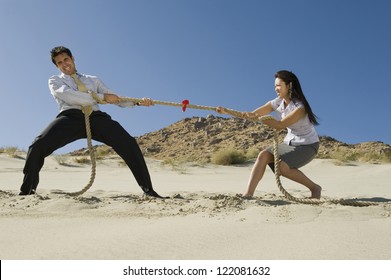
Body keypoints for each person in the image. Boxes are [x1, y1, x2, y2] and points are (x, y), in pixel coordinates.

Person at [19, 46, 166, 198]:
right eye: (59, 62)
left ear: (73, 58)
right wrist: (101, 98)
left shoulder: (93, 80)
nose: (64, 63)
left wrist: (138, 103)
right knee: (37, 145)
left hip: (96, 117)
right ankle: (27, 191)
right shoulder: (55, 81)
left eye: (66, 59)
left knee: (129, 143)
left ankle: (149, 191)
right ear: (57, 66)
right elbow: (69, 95)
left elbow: (115, 98)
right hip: (70, 117)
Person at [217, 70, 322, 199]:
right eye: (275, 86)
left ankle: (315, 188)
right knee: (264, 155)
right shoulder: (277, 102)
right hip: (291, 142)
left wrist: (264, 119)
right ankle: (248, 194)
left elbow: (279, 125)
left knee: (281, 168)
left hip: (308, 145)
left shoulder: (299, 108)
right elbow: (254, 114)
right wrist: (226, 111)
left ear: (289, 85)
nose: (276, 89)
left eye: (279, 86)